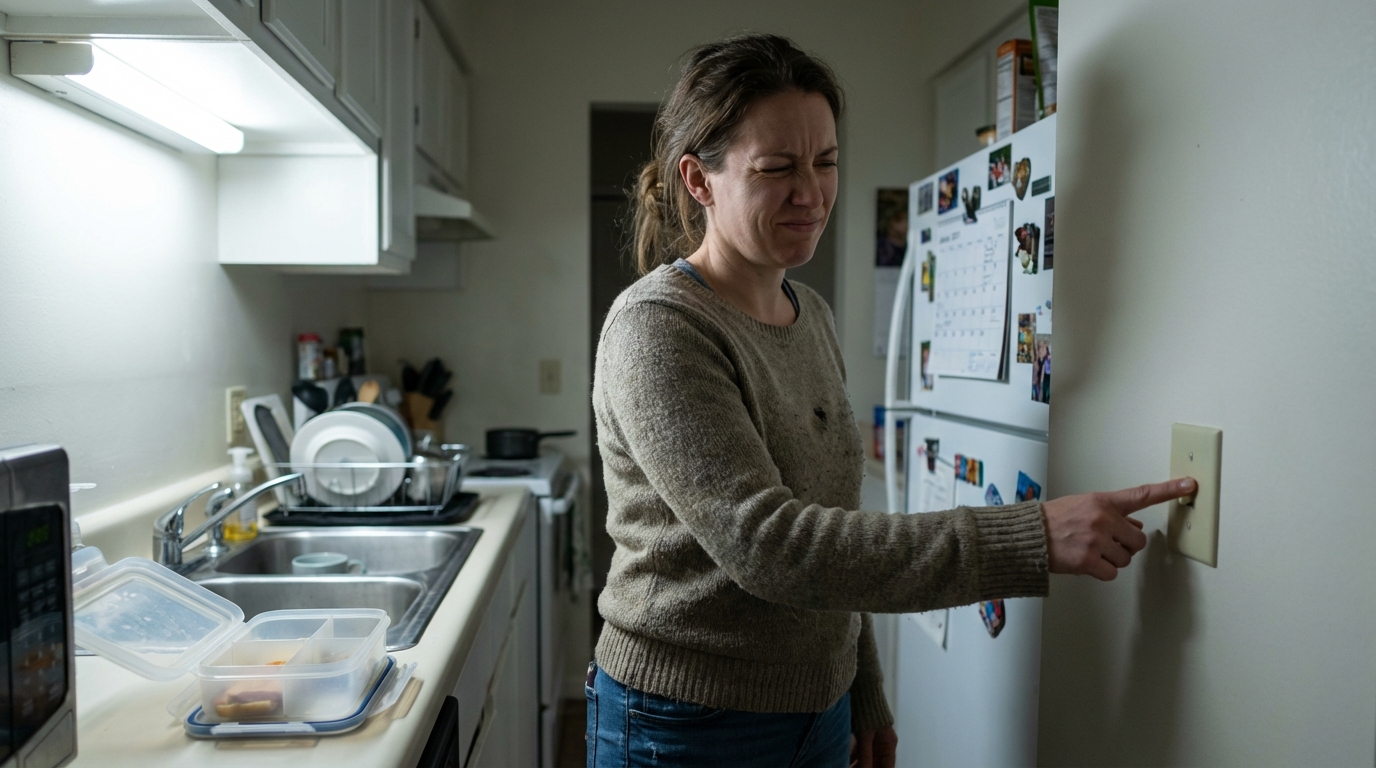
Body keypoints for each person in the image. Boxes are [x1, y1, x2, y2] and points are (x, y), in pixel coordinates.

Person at [589, 33, 1195, 768]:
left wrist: (860, 686)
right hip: (686, 719)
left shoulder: (809, 313)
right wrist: (1029, 536)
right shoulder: (658, 328)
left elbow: (831, 520)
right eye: (777, 168)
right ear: (700, 180)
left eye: (826, 161)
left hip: (818, 709)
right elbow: (771, 546)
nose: (810, 193)